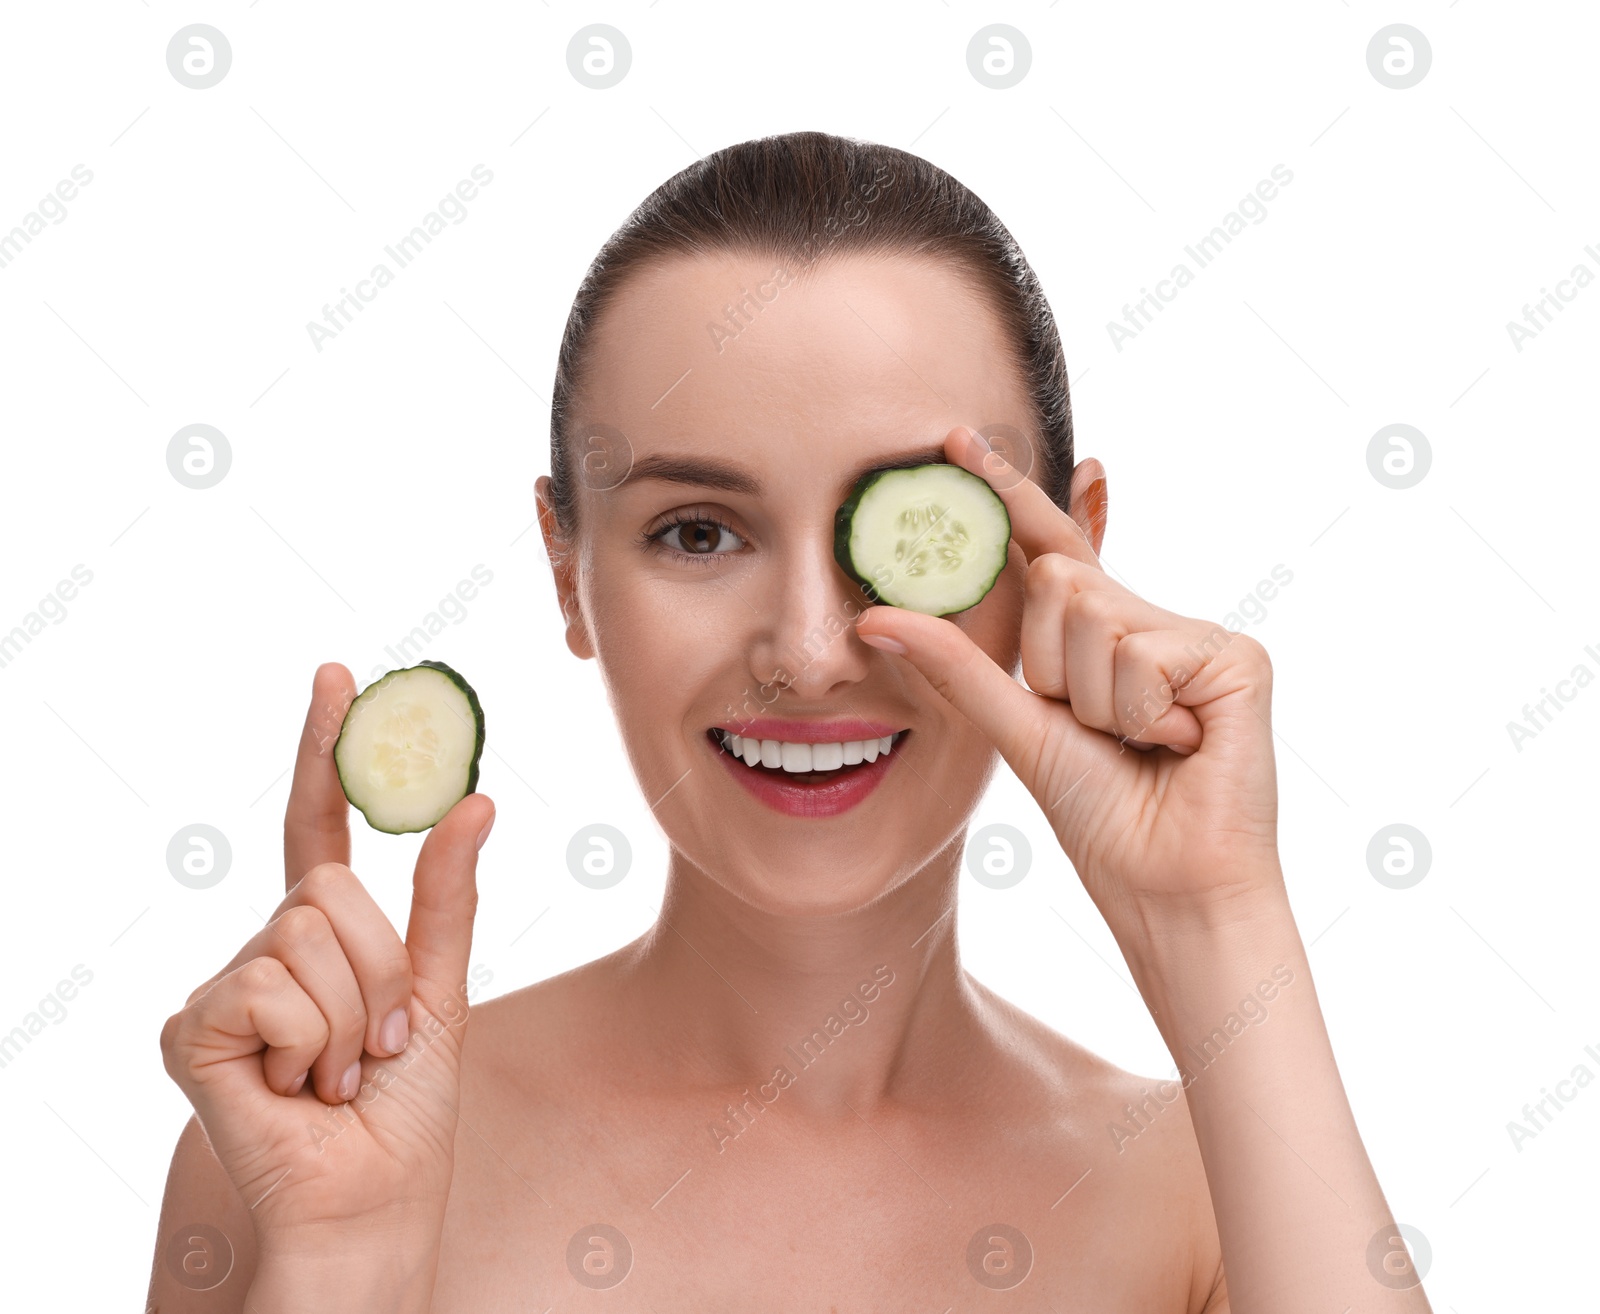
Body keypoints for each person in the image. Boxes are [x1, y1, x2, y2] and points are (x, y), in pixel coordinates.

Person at [149, 131, 1433, 1311]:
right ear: (565, 571)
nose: (811, 654)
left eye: (911, 531)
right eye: (698, 533)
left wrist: (1212, 919)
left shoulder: (1211, 1210)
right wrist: (343, 1258)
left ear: (1068, 553)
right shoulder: (308, 1149)